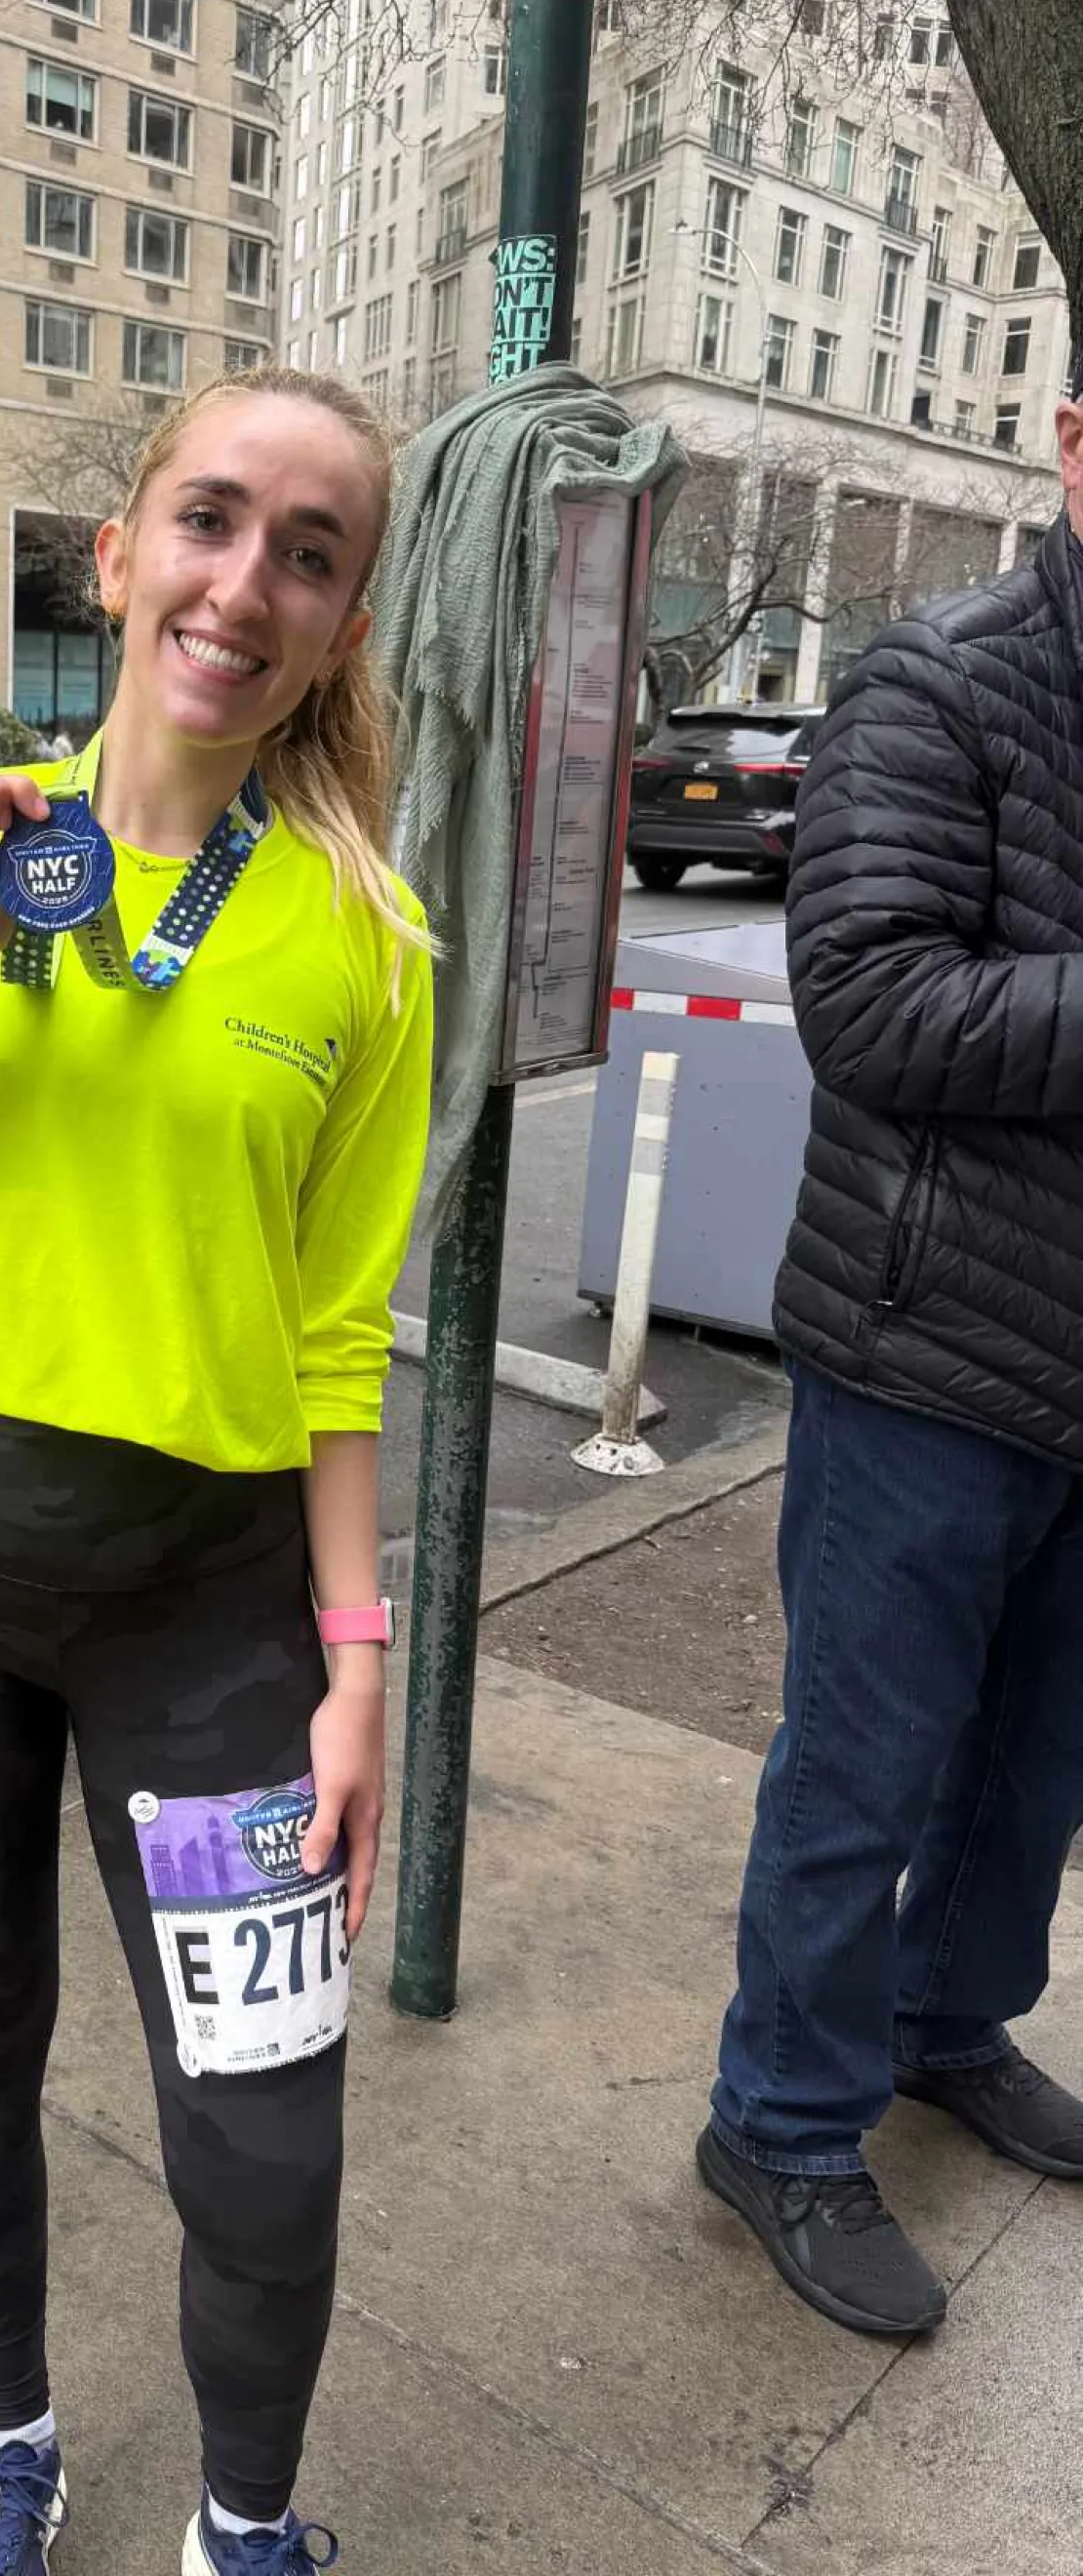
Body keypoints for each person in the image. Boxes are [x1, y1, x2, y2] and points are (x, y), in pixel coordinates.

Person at [0, 368, 432, 2574]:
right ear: (117, 553)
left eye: (306, 552)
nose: (246, 581)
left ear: (338, 625)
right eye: (211, 523)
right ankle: (8, 2441)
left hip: (205, 1603)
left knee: (261, 2113)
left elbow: (338, 1337)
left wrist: (354, 1658)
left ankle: (240, 2526)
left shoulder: (359, 943)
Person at [702, 370, 1083, 2339]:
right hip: (921, 1347)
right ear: (1073, 443)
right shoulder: (935, 686)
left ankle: (948, 2022)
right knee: (859, 1775)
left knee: (1033, 1772)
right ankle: (776, 2125)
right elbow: (868, 1003)